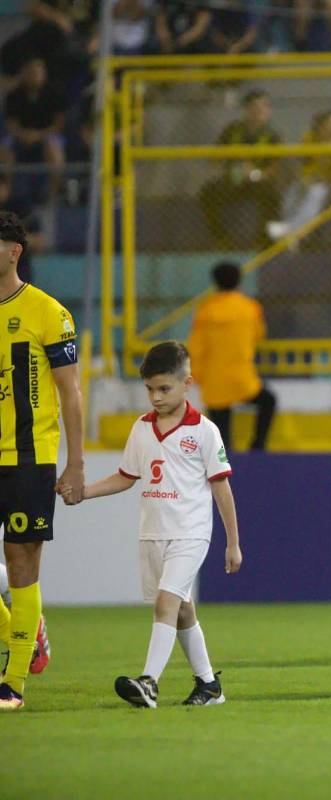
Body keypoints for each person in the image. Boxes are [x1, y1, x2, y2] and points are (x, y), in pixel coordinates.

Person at [78, 341, 240, 708]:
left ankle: (149, 682)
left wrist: (233, 542)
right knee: (182, 609)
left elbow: (221, 487)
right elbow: (125, 477)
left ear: (187, 384)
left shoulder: (204, 431)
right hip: (152, 533)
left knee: (165, 603)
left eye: (164, 389)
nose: (155, 397)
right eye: (150, 389)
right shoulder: (141, 428)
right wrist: (84, 492)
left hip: (190, 533)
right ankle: (209, 685)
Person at [0, 211, 83, 712]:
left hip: (30, 456)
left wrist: (74, 464)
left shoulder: (48, 312)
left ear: (15, 252)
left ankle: (12, 682)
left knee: (20, 562)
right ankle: (25, 632)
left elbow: (70, 392)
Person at [188, 262, 276, 451]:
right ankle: (258, 446)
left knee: (221, 432)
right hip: (242, 378)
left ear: (215, 283)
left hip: (214, 379)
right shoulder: (250, 308)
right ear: (239, 281)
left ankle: (225, 464)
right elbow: (259, 335)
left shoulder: (205, 310)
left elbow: (196, 347)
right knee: (268, 401)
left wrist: (197, 375)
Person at [199, 91, 283, 247]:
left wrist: (254, 173)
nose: (261, 112)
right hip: (234, 178)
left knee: (273, 196)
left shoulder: (272, 136)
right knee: (208, 192)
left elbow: (274, 169)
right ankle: (220, 238)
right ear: (247, 110)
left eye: (265, 107)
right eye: (256, 108)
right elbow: (214, 159)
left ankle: (267, 239)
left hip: (257, 179)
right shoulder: (232, 130)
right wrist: (233, 161)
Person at [269, 110, 331, 242]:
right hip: (308, 179)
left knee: (315, 193)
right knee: (292, 193)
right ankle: (286, 227)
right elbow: (302, 164)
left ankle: (293, 233)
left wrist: (316, 180)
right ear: (320, 127)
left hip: (328, 184)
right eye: (330, 125)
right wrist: (303, 180)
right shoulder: (309, 139)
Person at [2, 57, 67, 203]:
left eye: (38, 72)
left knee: (55, 150)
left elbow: (59, 124)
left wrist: (38, 135)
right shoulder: (14, 95)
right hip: (20, 135)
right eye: (31, 72)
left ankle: (53, 194)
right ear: (24, 74)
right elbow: (11, 124)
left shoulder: (53, 92)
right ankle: (8, 190)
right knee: (5, 149)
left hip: (47, 134)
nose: (35, 76)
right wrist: (24, 135)